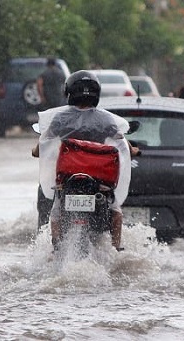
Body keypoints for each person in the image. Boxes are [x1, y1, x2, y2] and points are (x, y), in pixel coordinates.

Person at [32, 70, 136, 252]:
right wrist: (133, 150)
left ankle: (56, 247)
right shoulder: (105, 119)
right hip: (99, 180)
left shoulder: (60, 118)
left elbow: (42, 145)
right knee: (116, 212)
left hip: (68, 178)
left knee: (56, 211)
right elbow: (122, 143)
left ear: (69, 92)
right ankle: (116, 249)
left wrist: (36, 150)